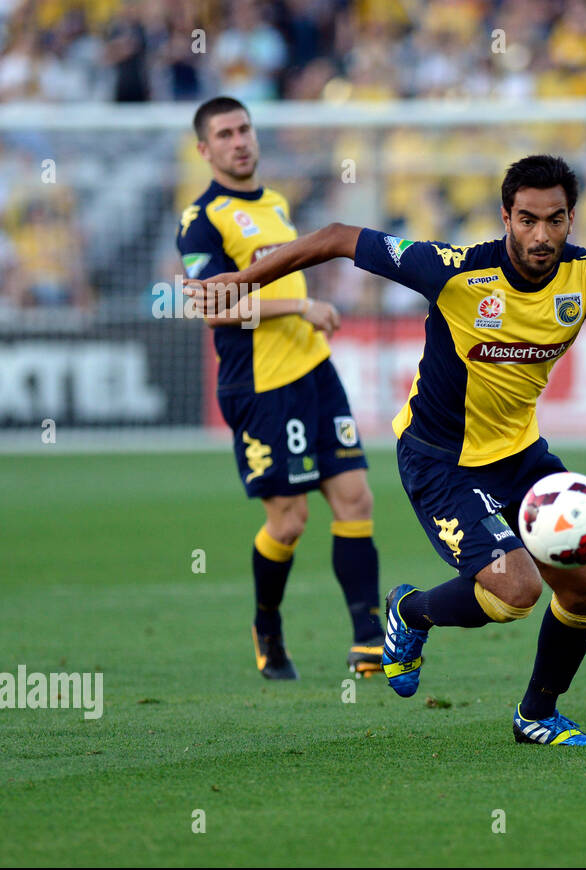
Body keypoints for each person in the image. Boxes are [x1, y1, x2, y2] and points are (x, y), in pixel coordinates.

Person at [186, 154, 586, 747]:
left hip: (520, 457)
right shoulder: (457, 271)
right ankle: (410, 611)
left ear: (572, 218)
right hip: (441, 458)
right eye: (527, 219)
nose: (542, 235)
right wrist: (240, 281)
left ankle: (536, 714)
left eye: (556, 220)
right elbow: (338, 237)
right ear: (505, 217)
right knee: (516, 589)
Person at [176, 96, 385, 681]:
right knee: (290, 522)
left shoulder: (275, 202)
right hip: (262, 384)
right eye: (224, 134)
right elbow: (216, 309)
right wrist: (302, 305)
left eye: (244, 129)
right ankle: (266, 623)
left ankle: (368, 641)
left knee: (356, 500)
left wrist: (304, 316)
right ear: (204, 149)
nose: (239, 141)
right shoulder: (201, 220)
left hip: (314, 370)